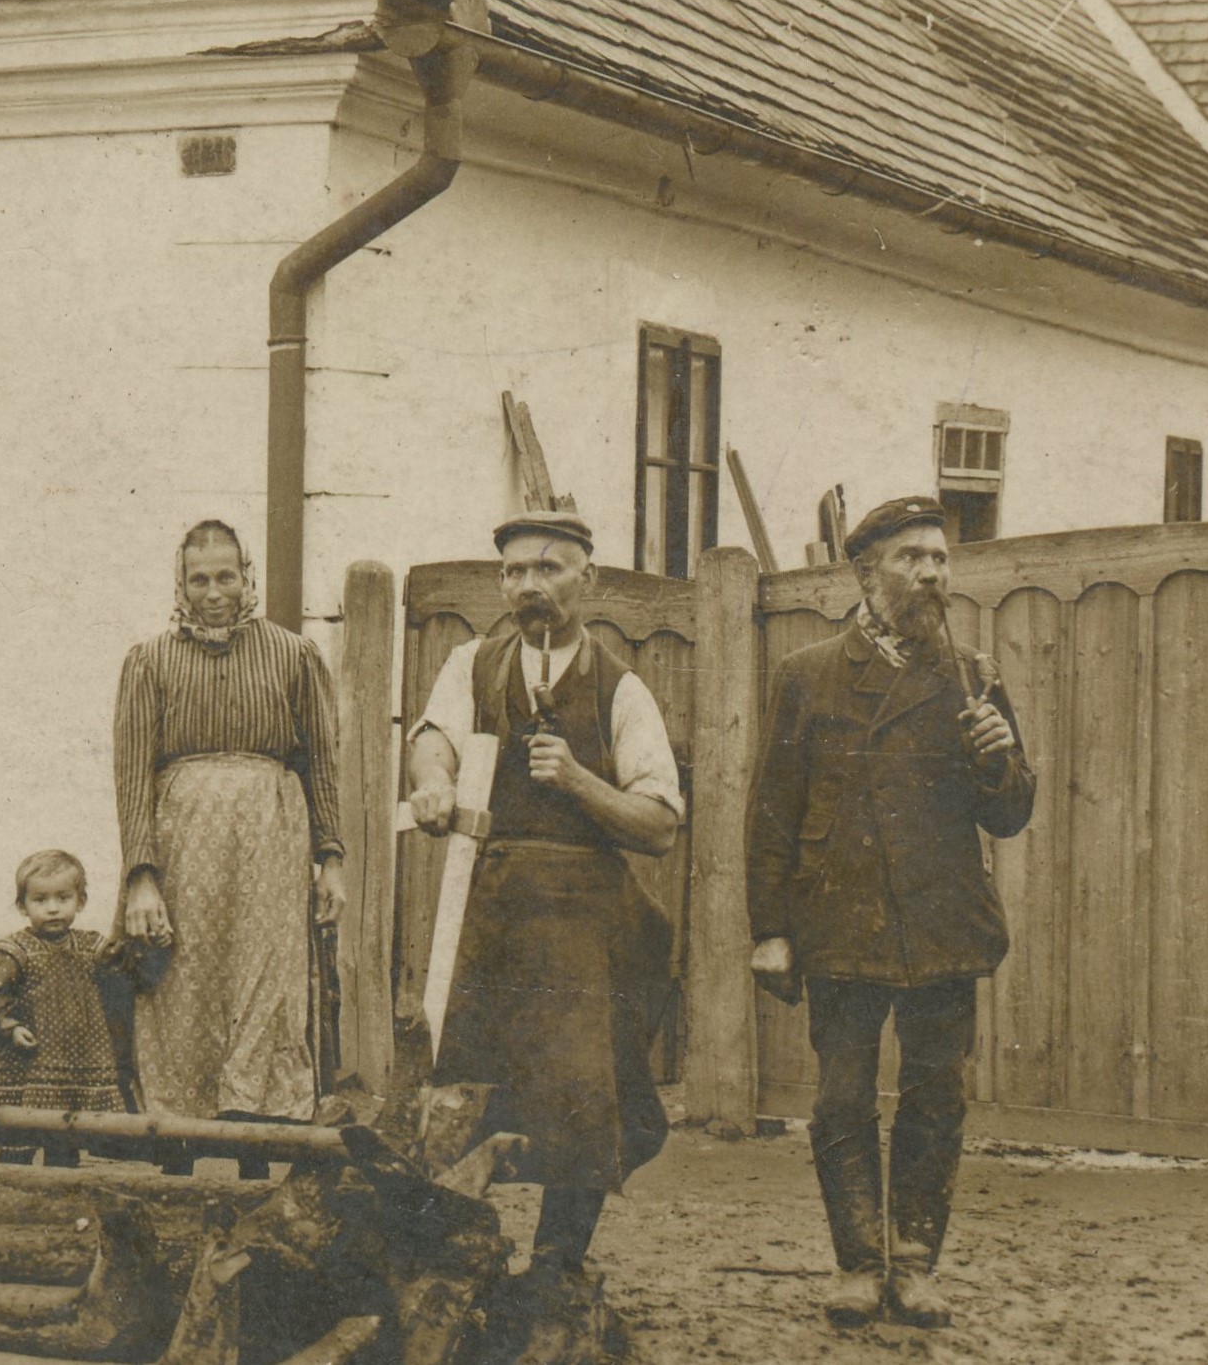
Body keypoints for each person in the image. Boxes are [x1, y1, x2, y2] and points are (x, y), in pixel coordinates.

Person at [745, 496, 1034, 1330]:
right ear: (864, 571)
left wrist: (998, 760)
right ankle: (857, 1264)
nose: (931, 573)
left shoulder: (973, 674)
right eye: (912, 557)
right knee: (841, 1098)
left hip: (941, 919)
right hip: (841, 918)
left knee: (935, 1094)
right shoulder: (807, 673)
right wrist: (770, 928)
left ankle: (912, 1265)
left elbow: (1008, 814)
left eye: (940, 557)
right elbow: (771, 810)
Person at [406, 495, 683, 1276]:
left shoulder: (621, 688)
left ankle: (557, 1267)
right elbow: (433, 739)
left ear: (585, 580)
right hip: (489, 911)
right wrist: (433, 781)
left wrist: (579, 781)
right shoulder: (470, 664)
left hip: (580, 923)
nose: (528, 584)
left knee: (581, 1092)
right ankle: (457, 1258)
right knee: (459, 1082)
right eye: (514, 570)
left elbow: (660, 823)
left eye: (548, 568)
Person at [110, 518, 345, 1128]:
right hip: (182, 845)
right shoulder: (149, 661)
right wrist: (141, 877)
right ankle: (177, 1136)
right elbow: (132, 777)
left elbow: (323, 763)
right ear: (181, 584)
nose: (213, 593)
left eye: (225, 577)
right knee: (181, 979)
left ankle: (258, 1133)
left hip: (271, 841)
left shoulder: (294, 655)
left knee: (266, 974)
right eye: (199, 580)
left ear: (247, 577)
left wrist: (332, 860)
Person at [0, 850, 166, 1161]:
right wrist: (10, 1028)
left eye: (63, 898)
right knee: (19, 1136)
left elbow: (128, 967)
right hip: (29, 1062)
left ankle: (64, 1184)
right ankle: (10, 1181)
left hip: (77, 1063)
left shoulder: (91, 946)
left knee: (67, 1138)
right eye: (40, 900)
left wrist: (151, 943)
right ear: (22, 906)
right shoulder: (13, 951)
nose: (53, 908)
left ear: (80, 901)